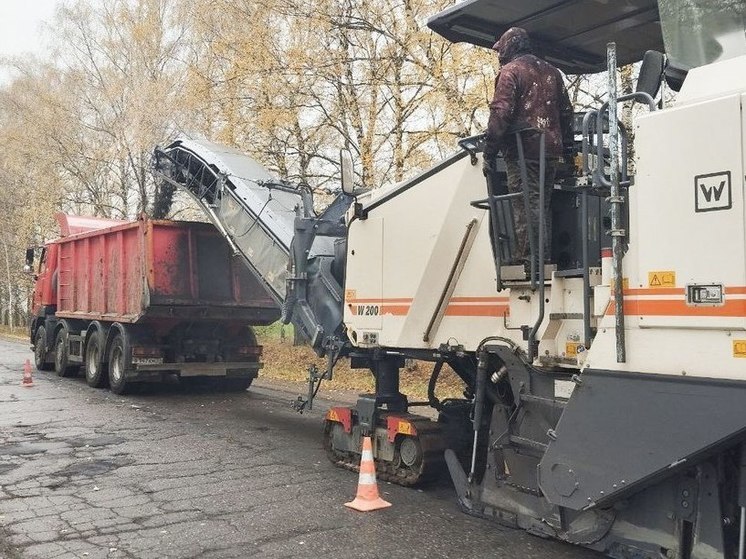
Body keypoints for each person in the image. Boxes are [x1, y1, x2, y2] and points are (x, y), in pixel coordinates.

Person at [482, 27, 574, 268]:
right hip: (551, 149)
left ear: (509, 47)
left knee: (525, 203)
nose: (499, 55)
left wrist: (489, 151)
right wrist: (568, 150)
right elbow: (566, 113)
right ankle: (542, 257)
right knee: (541, 203)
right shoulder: (553, 73)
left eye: (500, 50)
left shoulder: (511, 72)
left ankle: (530, 259)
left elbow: (501, 112)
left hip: (524, 149)